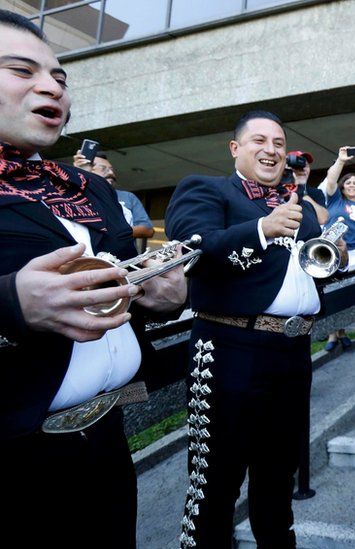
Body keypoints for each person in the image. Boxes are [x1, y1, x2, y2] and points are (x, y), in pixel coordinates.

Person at [0, 11, 186, 547]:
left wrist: (162, 294)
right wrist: (10, 301)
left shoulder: (89, 187)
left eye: (59, 76)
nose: (52, 86)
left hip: (107, 440)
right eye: (22, 70)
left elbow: (126, 284)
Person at [165, 110, 345, 548]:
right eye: (259, 141)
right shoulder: (206, 188)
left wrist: (335, 257)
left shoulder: (301, 207)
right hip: (229, 349)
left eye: (279, 143)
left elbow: (307, 270)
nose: (271, 150)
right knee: (215, 479)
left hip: (292, 352)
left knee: (279, 475)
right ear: (235, 148)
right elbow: (191, 245)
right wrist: (262, 228)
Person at [319, 147, 355, 350]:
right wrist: (341, 160)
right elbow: (330, 180)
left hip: (353, 255)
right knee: (330, 292)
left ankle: (342, 332)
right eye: (348, 182)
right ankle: (332, 336)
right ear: (342, 186)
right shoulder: (335, 199)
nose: (352, 185)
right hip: (329, 253)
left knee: (345, 295)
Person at [73, 150, 155, 240]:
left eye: (111, 169)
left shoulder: (127, 197)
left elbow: (148, 230)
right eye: (103, 168)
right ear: (88, 169)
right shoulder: (75, 194)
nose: (111, 173)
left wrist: (117, 231)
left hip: (123, 249)